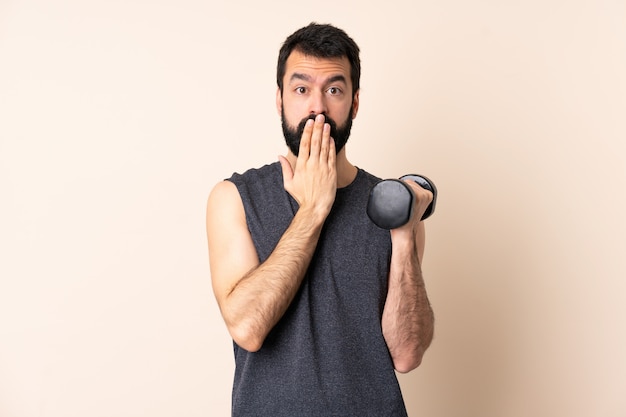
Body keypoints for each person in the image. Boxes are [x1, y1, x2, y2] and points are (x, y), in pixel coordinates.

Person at [206, 22, 435, 417]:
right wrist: (312, 209)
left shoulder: (394, 208)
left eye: (334, 89)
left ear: (355, 102)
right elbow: (247, 328)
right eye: (301, 89)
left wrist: (403, 235)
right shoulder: (235, 199)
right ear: (279, 100)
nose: (318, 107)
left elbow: (407, 353)